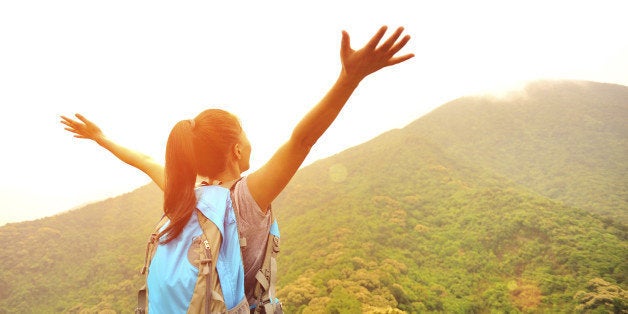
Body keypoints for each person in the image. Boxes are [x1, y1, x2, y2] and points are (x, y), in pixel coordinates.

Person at [61, 25, 414, 313]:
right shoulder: (245, 199)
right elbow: (302, 140)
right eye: (245, 133)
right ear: (235, 149)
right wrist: (349, 79)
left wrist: (100, 138)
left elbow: (143, 160)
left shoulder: (184, 191)